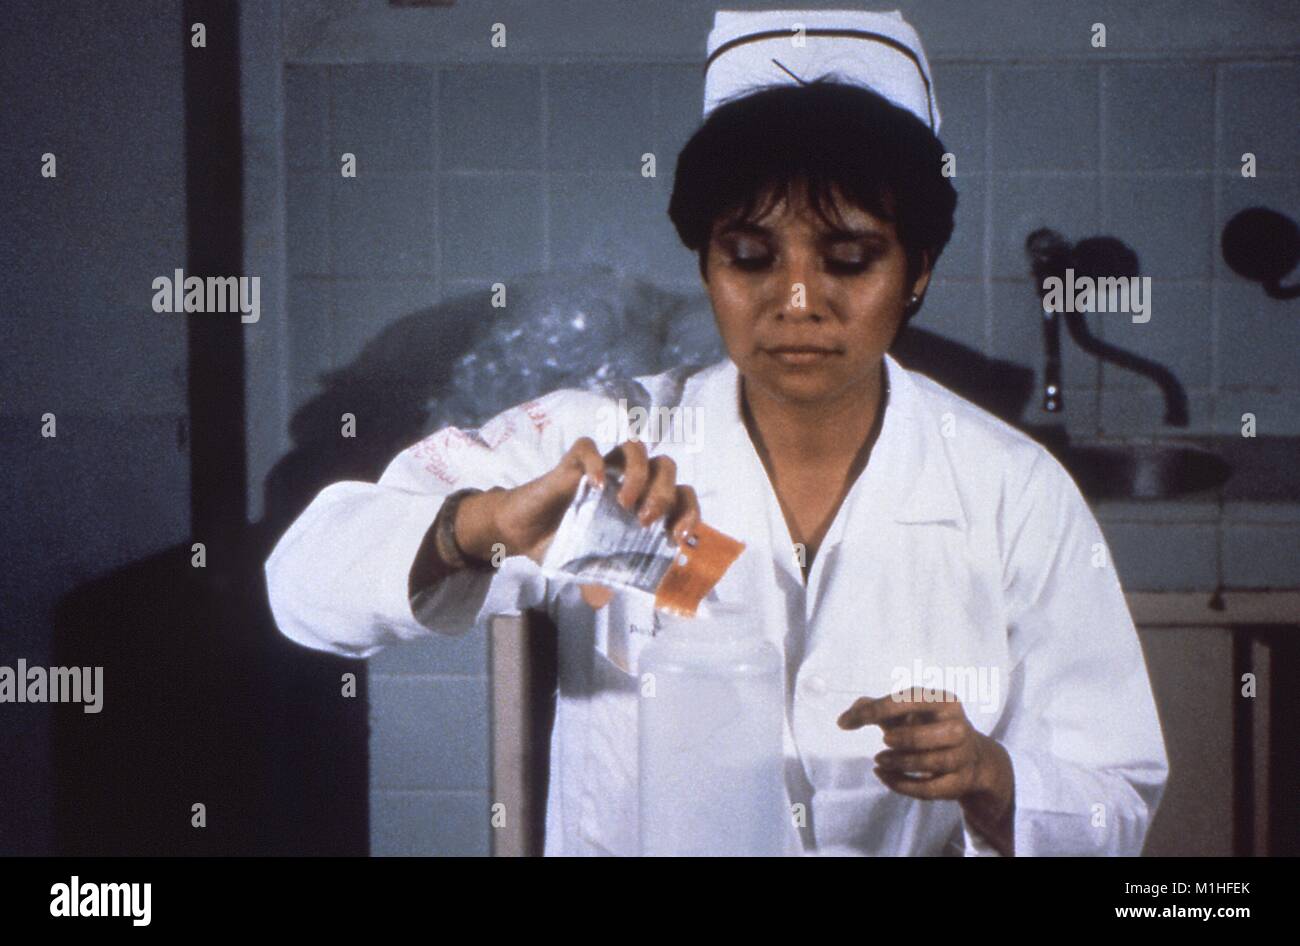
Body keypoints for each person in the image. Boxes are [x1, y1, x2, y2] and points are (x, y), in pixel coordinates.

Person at [265, 9, 1168, 856]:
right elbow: (303, 584)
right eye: (751, 257)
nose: (799, 302)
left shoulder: (1012, 488)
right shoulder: (608, 437)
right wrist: (483, 525)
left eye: (850, 259)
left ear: (919, 271)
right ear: (705, 262)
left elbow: (1115, 798)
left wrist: (994, 778)